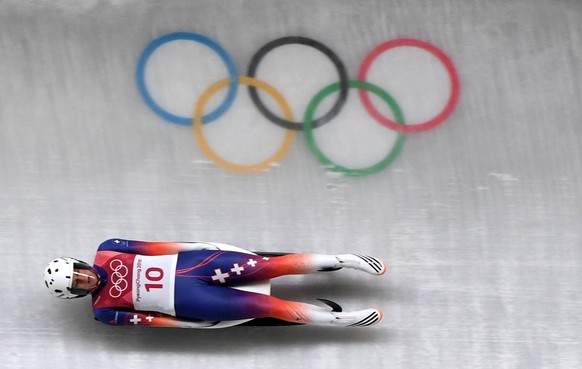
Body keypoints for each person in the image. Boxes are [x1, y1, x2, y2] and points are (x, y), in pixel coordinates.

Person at [43, 239, 386, 328]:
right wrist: (197, 326)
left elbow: (156, 247)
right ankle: (340, 320)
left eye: (78, 272)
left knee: (272, 266)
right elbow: (154, 321)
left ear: (80, 263)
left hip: (196, 265)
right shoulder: (103, 312)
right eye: (77, 285)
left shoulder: (109, 250)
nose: (85, 279)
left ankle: (346, 260)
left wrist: (202, 247)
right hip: (193, 302)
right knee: (269, 308)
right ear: (76, 295)